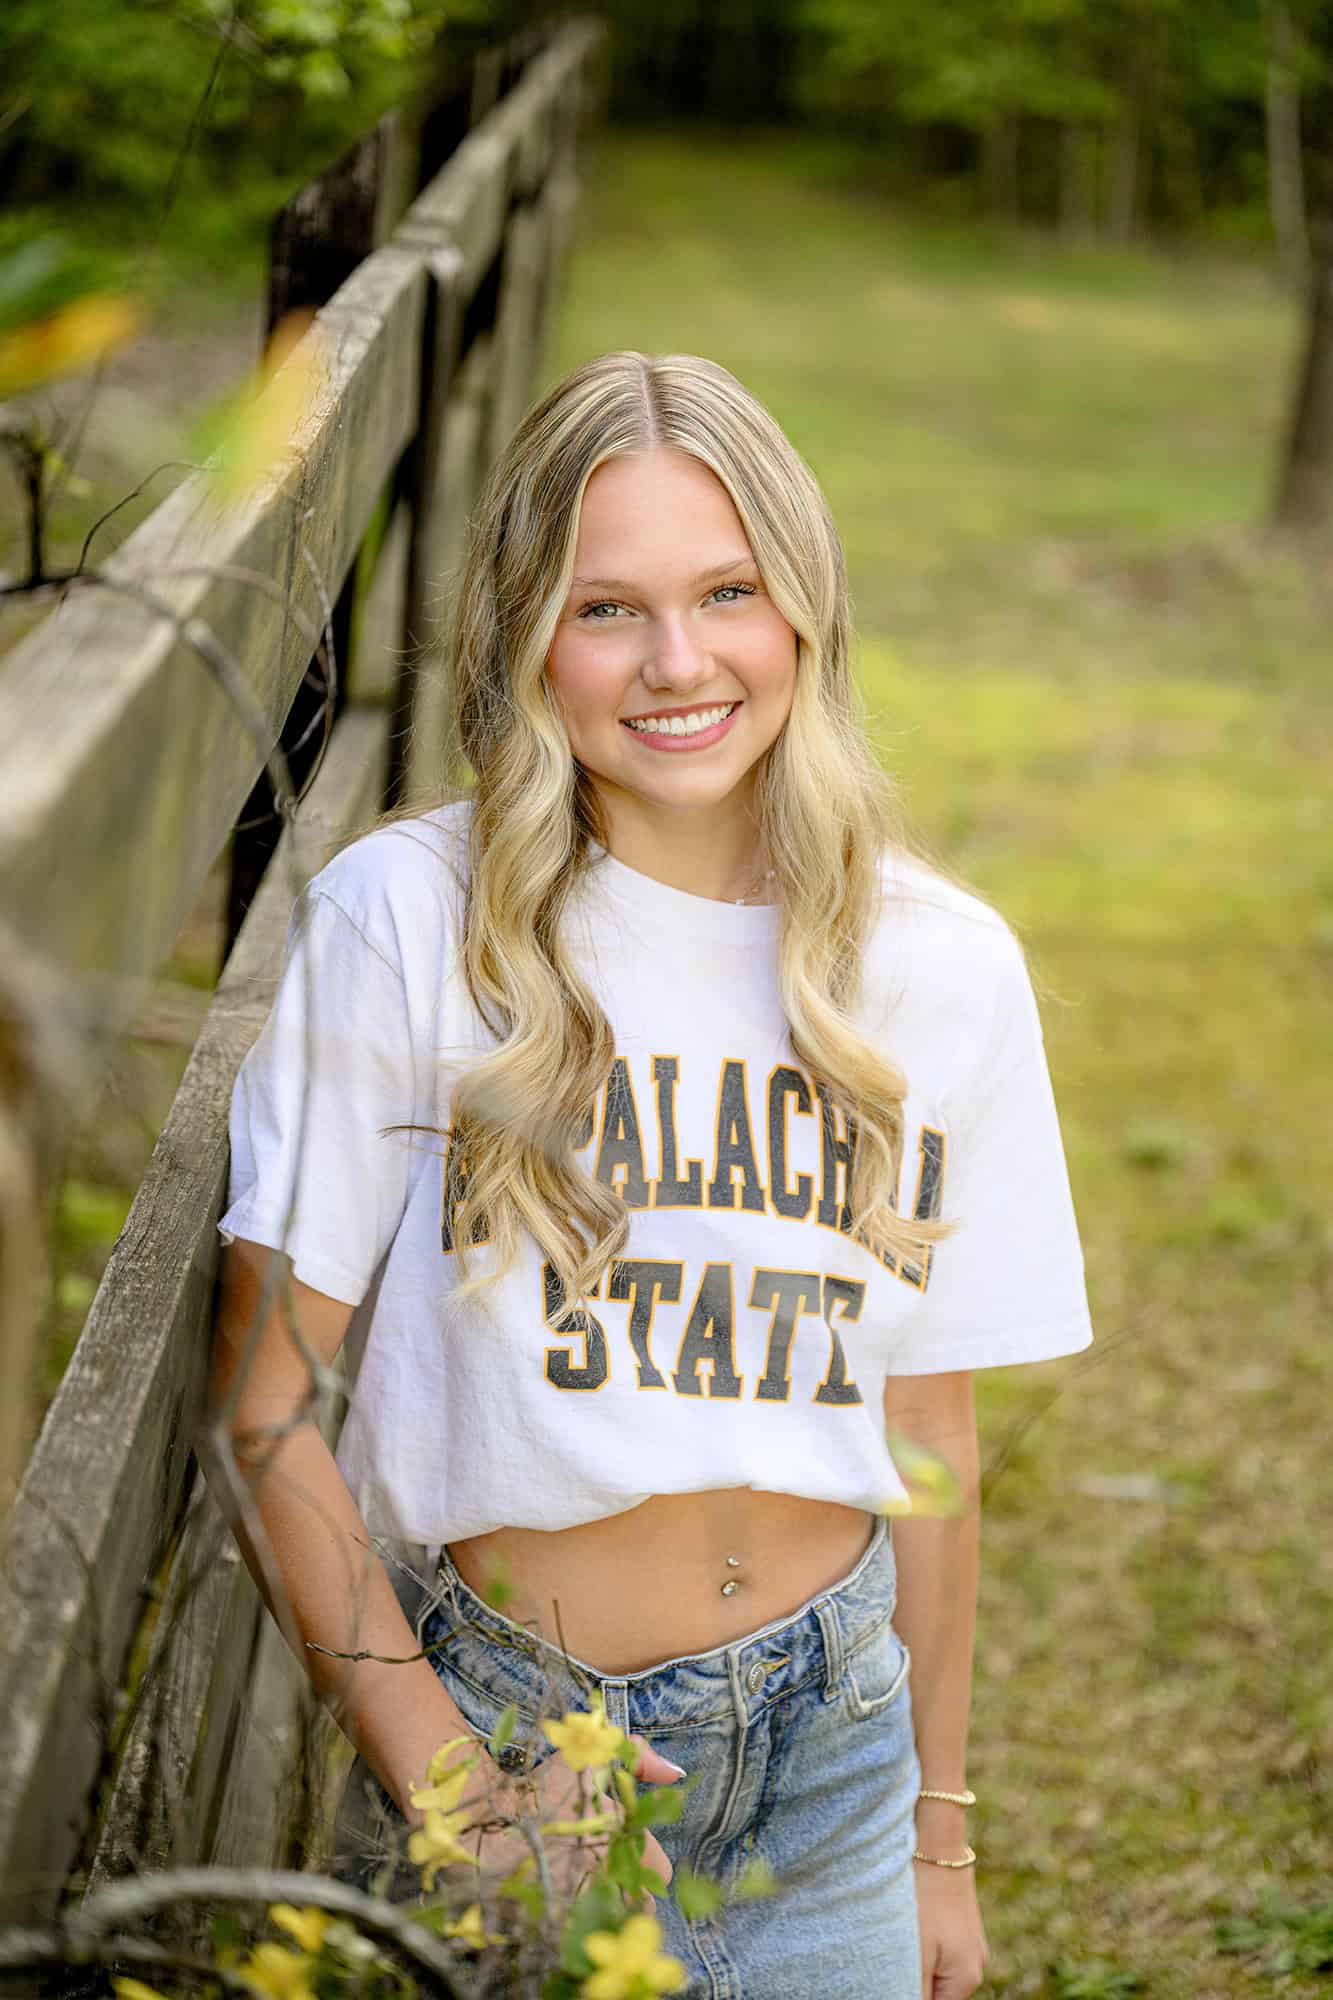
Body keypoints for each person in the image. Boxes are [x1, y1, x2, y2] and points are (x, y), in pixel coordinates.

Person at [210, 349, 1094, 2000]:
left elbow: (929, 1435)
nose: (677, 662)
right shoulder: (408, 924)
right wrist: (452, 1789)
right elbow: (262, 1403)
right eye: (605, 607)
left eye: (728, 593)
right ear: (523, 633)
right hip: (520, 1740)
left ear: (803, 613)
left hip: (831, 1754)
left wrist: (934, 1840)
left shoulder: (936, 964)